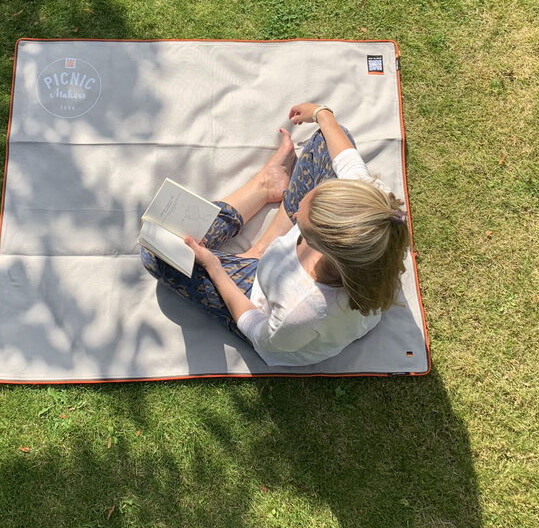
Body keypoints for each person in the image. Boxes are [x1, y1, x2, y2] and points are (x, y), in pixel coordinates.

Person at [138, 102, 409, 365]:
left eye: (303, 222)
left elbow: (258, 332)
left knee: (157, 253)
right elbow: (348, 161)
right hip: (304, 277)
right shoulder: (374, 211)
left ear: (319, 245)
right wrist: (322, 114)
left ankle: (259, 199)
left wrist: (214, 268)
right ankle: (269, 190)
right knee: (329, 137)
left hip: (257, 300)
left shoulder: (301, 308)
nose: (300, 198)